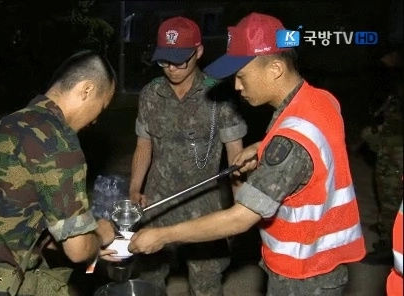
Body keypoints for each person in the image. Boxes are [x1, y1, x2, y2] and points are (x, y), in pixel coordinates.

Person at [128, 12, 367, 295]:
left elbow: (241, 218)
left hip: (302, 273)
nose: (238, 86)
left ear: (275, 68)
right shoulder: (321, 101)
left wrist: (163, 235)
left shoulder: (291, 140)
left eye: (241, 76)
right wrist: (262, 145)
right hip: (320, 262)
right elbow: (306, 138)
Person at [0, 50, 118, 296]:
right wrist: (99, 234)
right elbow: (78, 251)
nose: (95, 120)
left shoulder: (7, 123)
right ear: (87, 90)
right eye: (101, 108)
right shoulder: (58, 143)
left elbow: (13, 210)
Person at [129, 16, 247, 295]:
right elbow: (143, 144)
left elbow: (236, 158)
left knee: (206, 283)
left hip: (202, 207)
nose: (172, 68)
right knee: (149, 279)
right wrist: (135, 188)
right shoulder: (150, 94)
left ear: (199, 51)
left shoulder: (219, 95)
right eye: (164, 60)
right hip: (158, 204)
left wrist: (240, 211)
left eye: (180, 60)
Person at [362, 47, 403, 265]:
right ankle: (385, 229)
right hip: (390, 142)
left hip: (398, 149)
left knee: (392, 192)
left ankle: (390, 246)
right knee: (384, 187)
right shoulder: (393, 80)